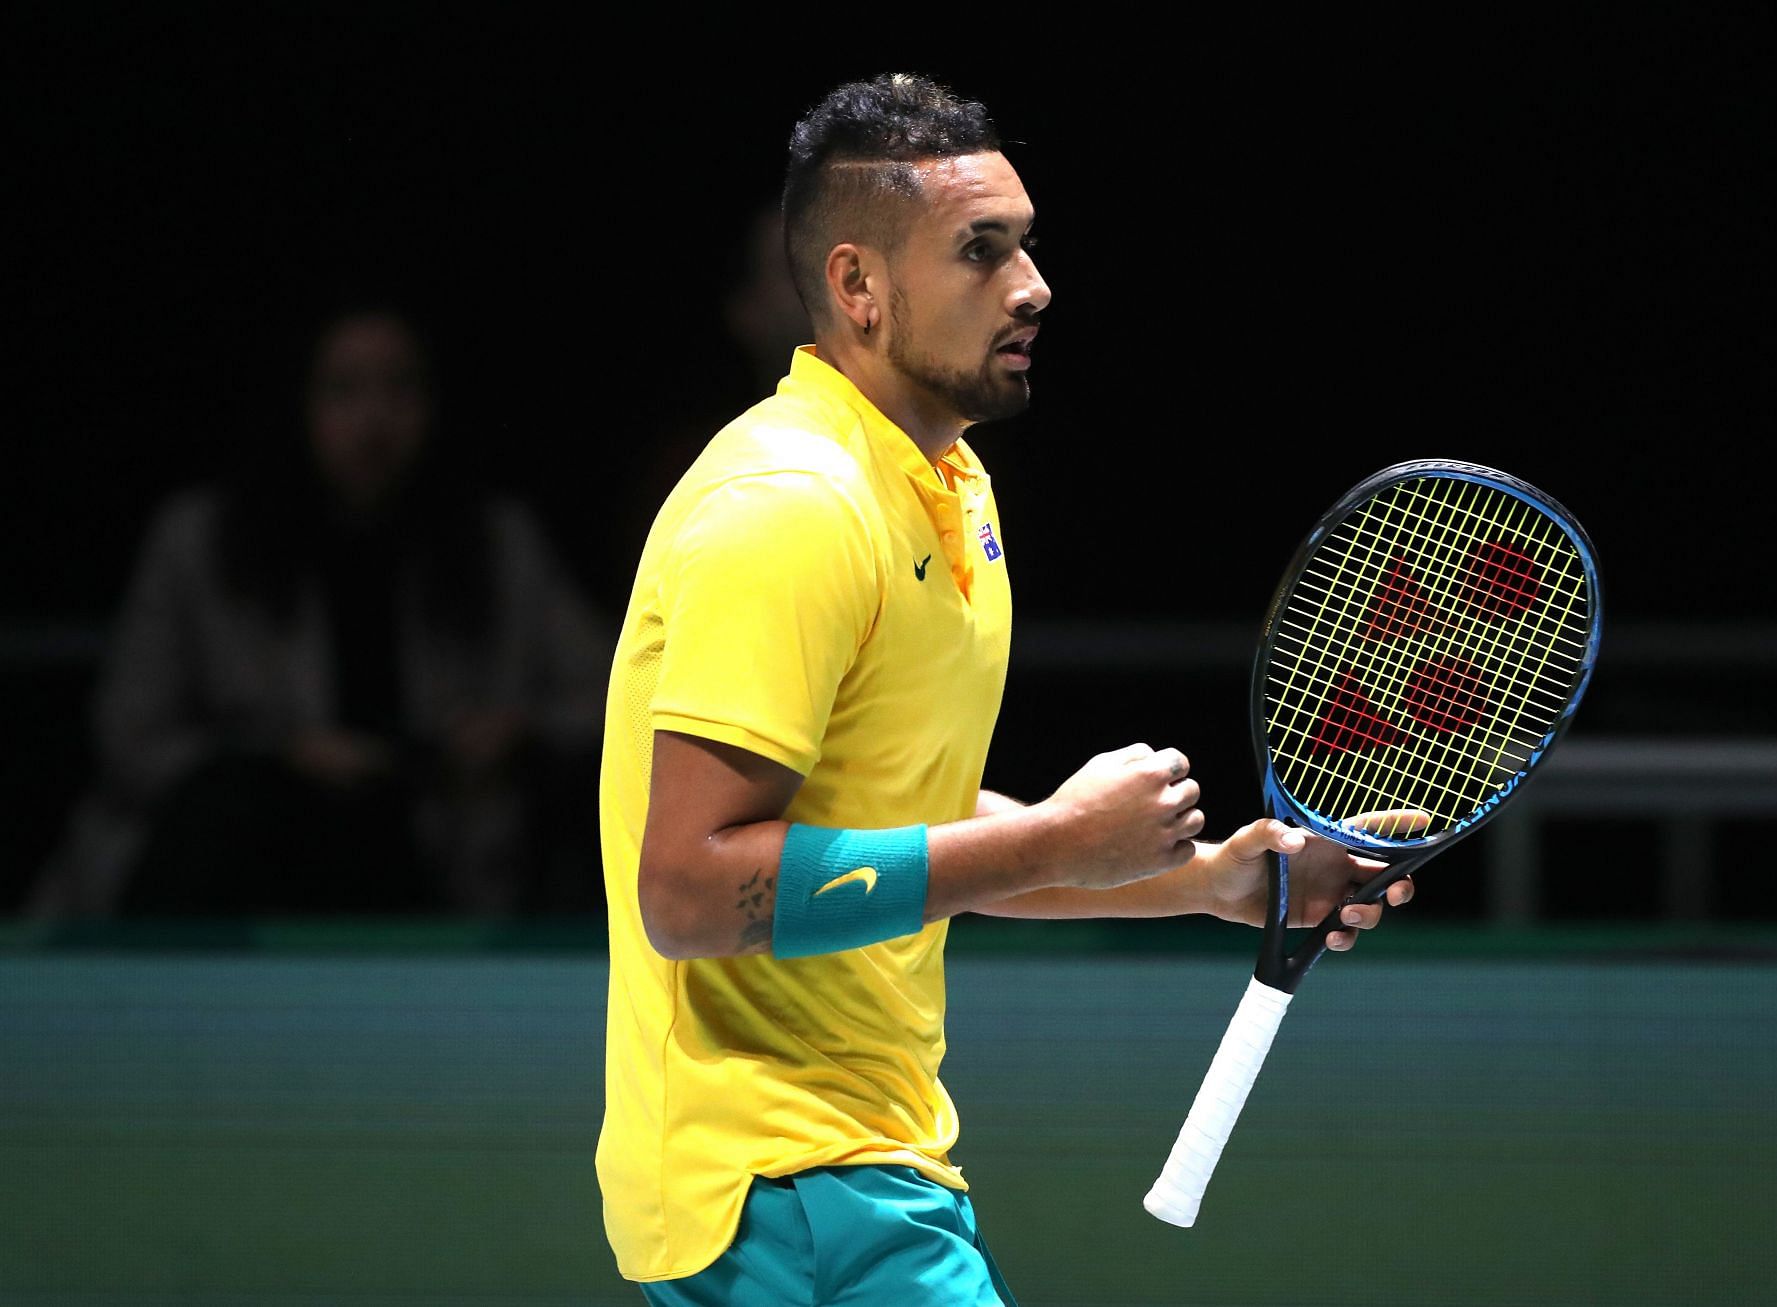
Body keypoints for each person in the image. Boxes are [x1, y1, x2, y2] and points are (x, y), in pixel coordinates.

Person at [596, 75, 1415, 1305]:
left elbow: (885, 815)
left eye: (1025, 245)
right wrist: (1054, 840)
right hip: (780, 1187)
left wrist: (1208, 881)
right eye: (983, 252)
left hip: (865, 1166)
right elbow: (690, 888)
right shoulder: (786, 508)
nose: (1034, 286)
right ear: (860, 287)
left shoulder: (947, 488)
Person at [30, 304, 608, 917]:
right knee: (232, 815)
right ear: (296, 403)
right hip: (246, 866)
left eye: (401, 387)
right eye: (344, 389)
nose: (375, 418)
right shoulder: (200, 542)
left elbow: (615, 692)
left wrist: (517, 729)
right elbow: (130, 735)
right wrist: (277, 758)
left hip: (446, 861)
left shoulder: (499, 544)